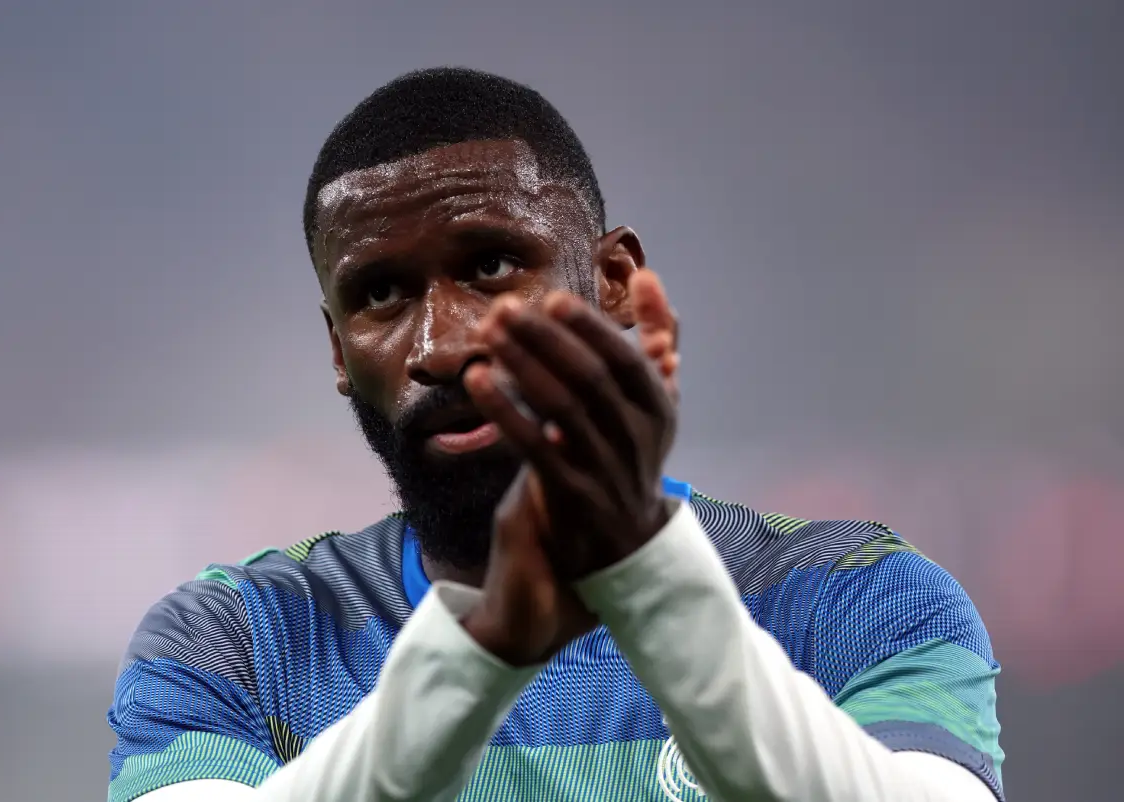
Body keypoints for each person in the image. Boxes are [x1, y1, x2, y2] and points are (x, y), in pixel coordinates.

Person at [107, 67, 1004, 802]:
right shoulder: (238, 642)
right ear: (337, 348)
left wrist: (648, 576)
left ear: (614, 280)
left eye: (492, 266)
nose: (440, 347)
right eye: (380, 295)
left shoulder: (855, 601)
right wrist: (481, 647)